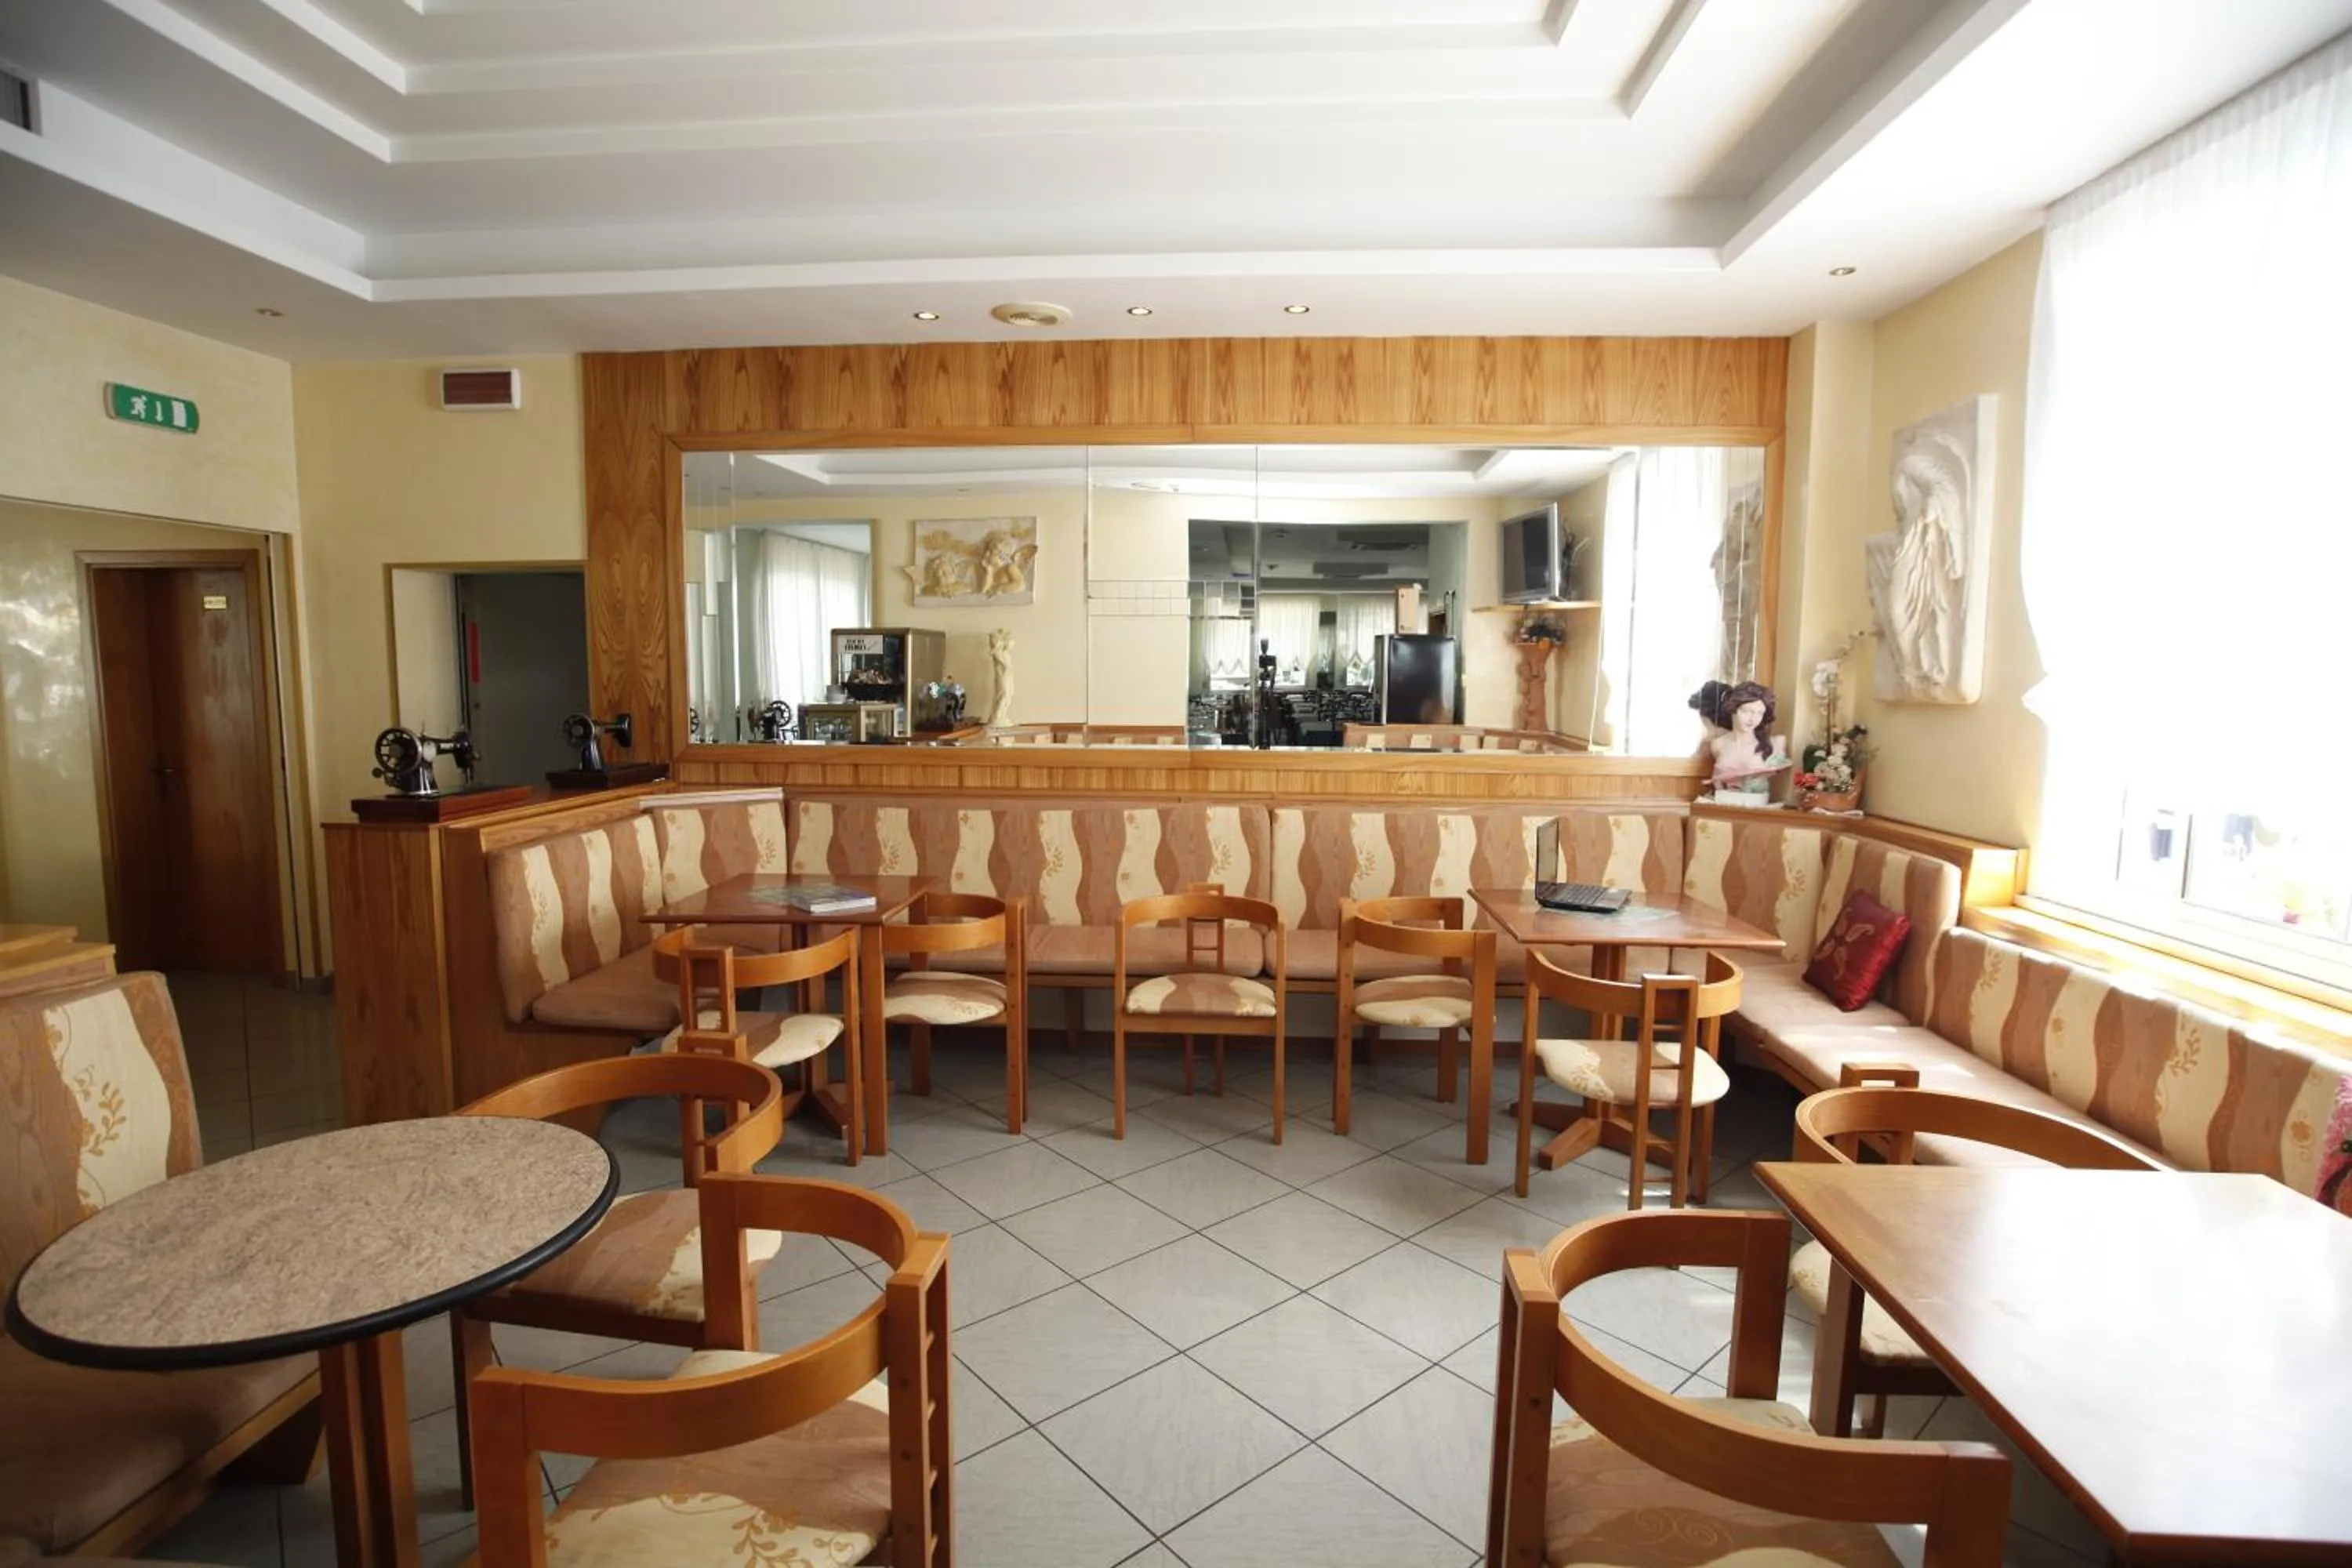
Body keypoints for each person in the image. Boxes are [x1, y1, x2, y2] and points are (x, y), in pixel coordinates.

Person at [1688, 679, 1791, 797]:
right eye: (1747, 711)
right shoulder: (1717, 744)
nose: (1753, 719)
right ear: (1733, 709)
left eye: (1760, 713)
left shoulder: (1776, 743)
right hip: (1722, 807)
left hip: (1757, 810)